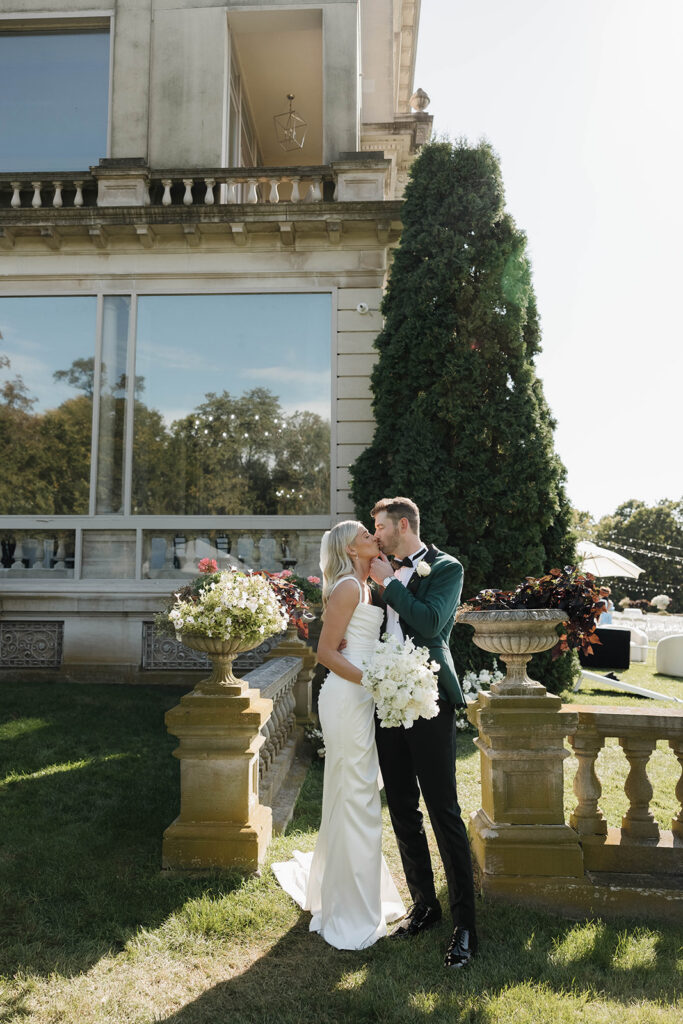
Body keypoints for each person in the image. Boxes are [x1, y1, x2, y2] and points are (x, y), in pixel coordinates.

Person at [272, 520, 405, 949]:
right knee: (357, 794)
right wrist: (376, 681)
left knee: (357, 793)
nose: (374, 537)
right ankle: (351, 908)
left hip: (363, 692)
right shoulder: (348, 588)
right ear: (350, 549)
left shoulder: (368, 586)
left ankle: (356, 891)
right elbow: (326, 653)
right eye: (366, 535)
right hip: (348, 698)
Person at [368, 496, 478, 969]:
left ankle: (466, 927)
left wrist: (390, 583)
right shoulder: (381, 571)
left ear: (404, 525)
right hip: (386, 700)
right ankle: (424, 906)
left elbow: (432, 622)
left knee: (442, 810)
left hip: (428, 697)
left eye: (380, 527)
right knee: (401, 806)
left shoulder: (445, 567)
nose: (376, 535)